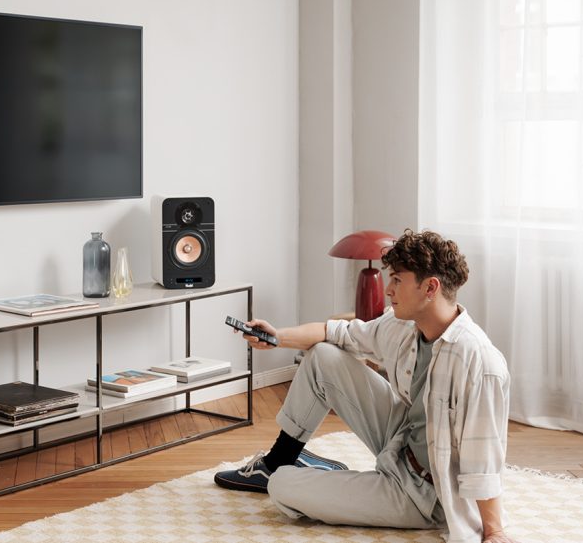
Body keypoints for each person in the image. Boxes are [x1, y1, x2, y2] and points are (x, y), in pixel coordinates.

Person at [214, 230, 517, 543]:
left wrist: (494, 532)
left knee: (283, 486)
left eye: (398, 280)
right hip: (401, 441)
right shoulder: (402, 325)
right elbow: (338, 333)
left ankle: (292, 473)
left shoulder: (480, 363)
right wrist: (277, 337)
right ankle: (280, 457)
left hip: (425, 493)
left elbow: (484, 458)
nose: (388, 290)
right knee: (322, 355)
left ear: (430, 287)